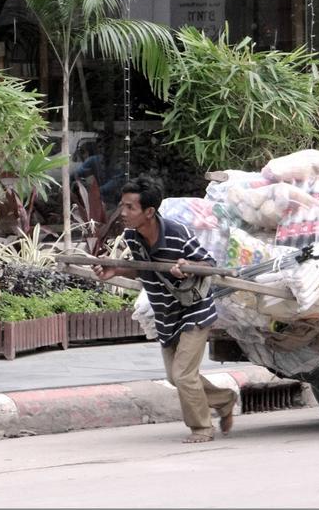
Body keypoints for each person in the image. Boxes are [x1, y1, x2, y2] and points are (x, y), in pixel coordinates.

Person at [92, 175, 237, 444]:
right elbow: (141, 267)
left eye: (130, 208)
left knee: (183, 374)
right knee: (175, 377)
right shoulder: (133, 236)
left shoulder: (177, 233)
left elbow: (209, 264)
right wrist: (115, 269)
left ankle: (201, 428)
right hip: (166, 313)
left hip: (194, 310)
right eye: (122, 206)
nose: (123, 213)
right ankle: (225, 399)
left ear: (149, 212)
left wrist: (186, 265)